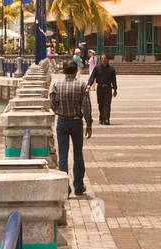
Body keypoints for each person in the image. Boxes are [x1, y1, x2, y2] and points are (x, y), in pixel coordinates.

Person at [49, 59, 92, 197]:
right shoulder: (82, 86)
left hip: (62, 122)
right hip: (76, 122)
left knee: (63, 156)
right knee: (78, 154)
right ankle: (78, 186)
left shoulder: (56, 85)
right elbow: (86, 107)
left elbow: (53, 104)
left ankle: (64, 188)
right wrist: (89, 124)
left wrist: (60, 111)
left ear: (63, 71)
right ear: (75, 71)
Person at [87, 53, 118, 125]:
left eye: (105, 58)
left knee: (107, 104)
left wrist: (115, 89)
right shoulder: (97, 68)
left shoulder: (112, 69)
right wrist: (89, 85)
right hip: (100, 88)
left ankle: (106, 119)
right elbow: (92, 76)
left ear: (108, 60)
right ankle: (101, 118)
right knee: (100, 104)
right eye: (102, 58)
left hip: (108, 88)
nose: (103, 60)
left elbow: (114, 80)